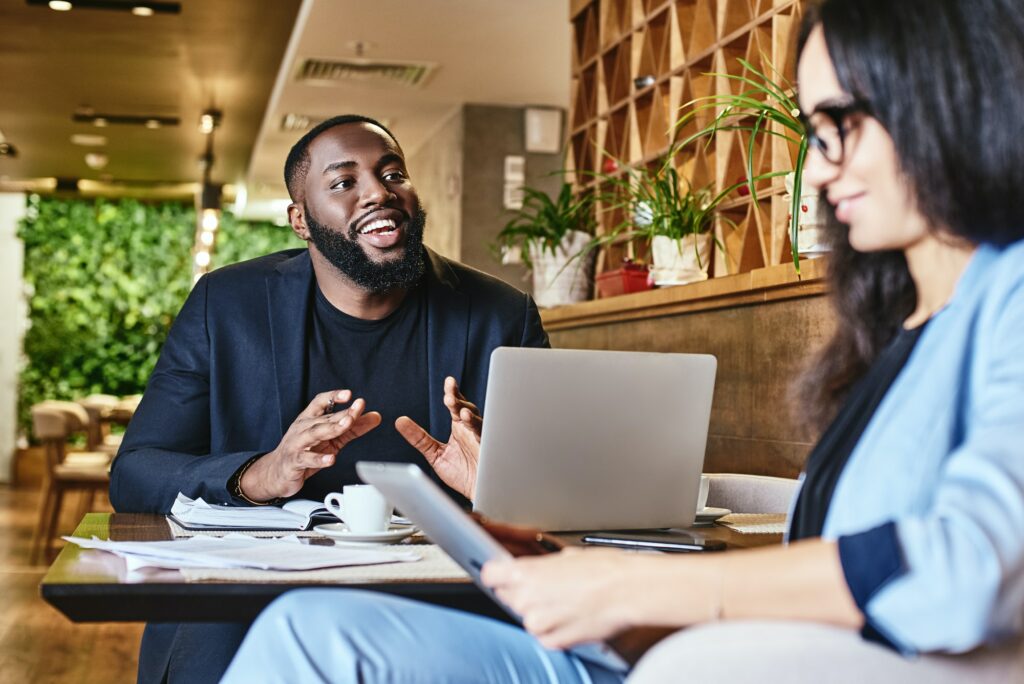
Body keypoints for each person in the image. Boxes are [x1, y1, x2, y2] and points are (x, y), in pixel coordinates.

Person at [220, 0, 1024, 681]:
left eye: (839, 123)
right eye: (814, 133)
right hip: (716, 647)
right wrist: (571, 569)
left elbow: (969, 564)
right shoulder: (903, 329)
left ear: (948, 96)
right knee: (309, 634)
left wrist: (648, 591)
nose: (818, 169)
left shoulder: (1011, 294)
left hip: (760, 660)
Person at [109, 114, 549, 683]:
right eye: (344, 182)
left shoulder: (500, 314)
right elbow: (136, 473)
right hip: (253, 599)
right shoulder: (227, 303)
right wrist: (261, 475)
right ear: (301, 220)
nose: (378, 192)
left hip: (440, 606)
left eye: (393, 173)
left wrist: (495, 486)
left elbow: (555, 502)